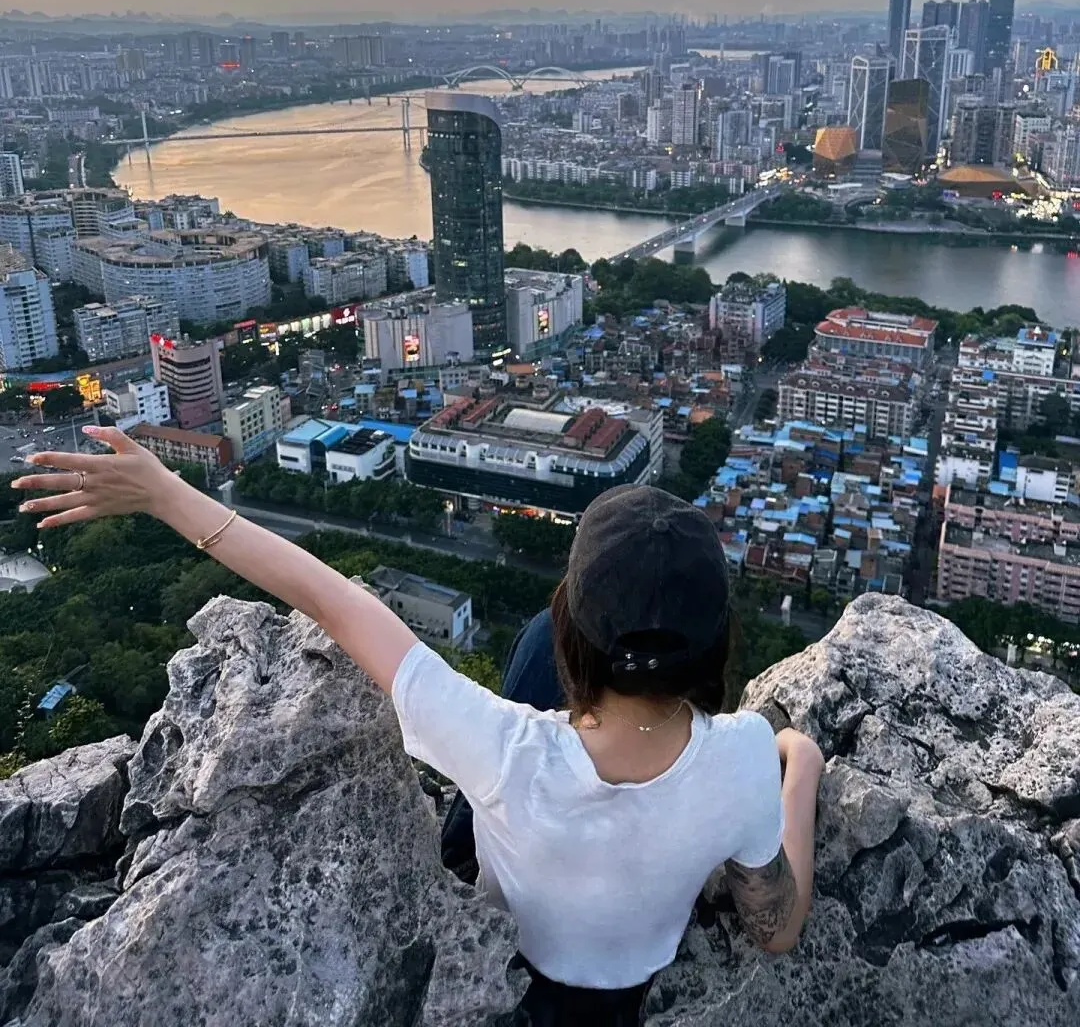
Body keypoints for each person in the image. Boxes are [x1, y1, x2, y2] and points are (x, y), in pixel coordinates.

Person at [15, 429, 825, 1027]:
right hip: (621, 1000)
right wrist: (800, 763)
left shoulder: (504, 745)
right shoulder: (743, 756)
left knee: (535, 647)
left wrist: (165, 494)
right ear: (716, 644)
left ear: (583, 635)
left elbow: (332, 599)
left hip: (507, 957)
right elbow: (777, 929)